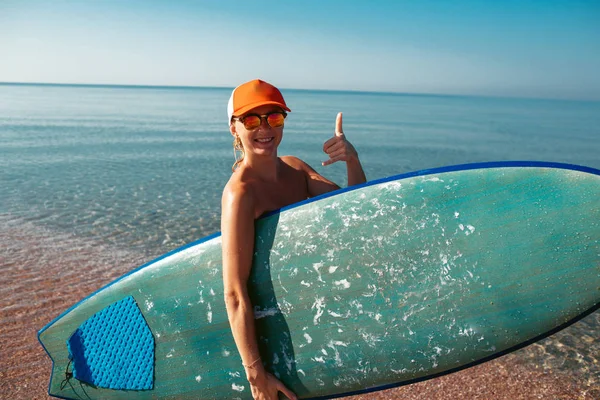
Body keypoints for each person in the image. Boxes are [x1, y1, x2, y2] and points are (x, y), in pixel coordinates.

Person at [220, 79, 366, 400]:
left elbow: (353, 215)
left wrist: (352, 160)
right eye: (251, 120)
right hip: (270, 338)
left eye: (273, 117)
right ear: (234, 128)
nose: (264, 128)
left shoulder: (296, 168)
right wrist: (256, 374)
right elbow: (234, 291)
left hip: (311, 317)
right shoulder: (240, 193)